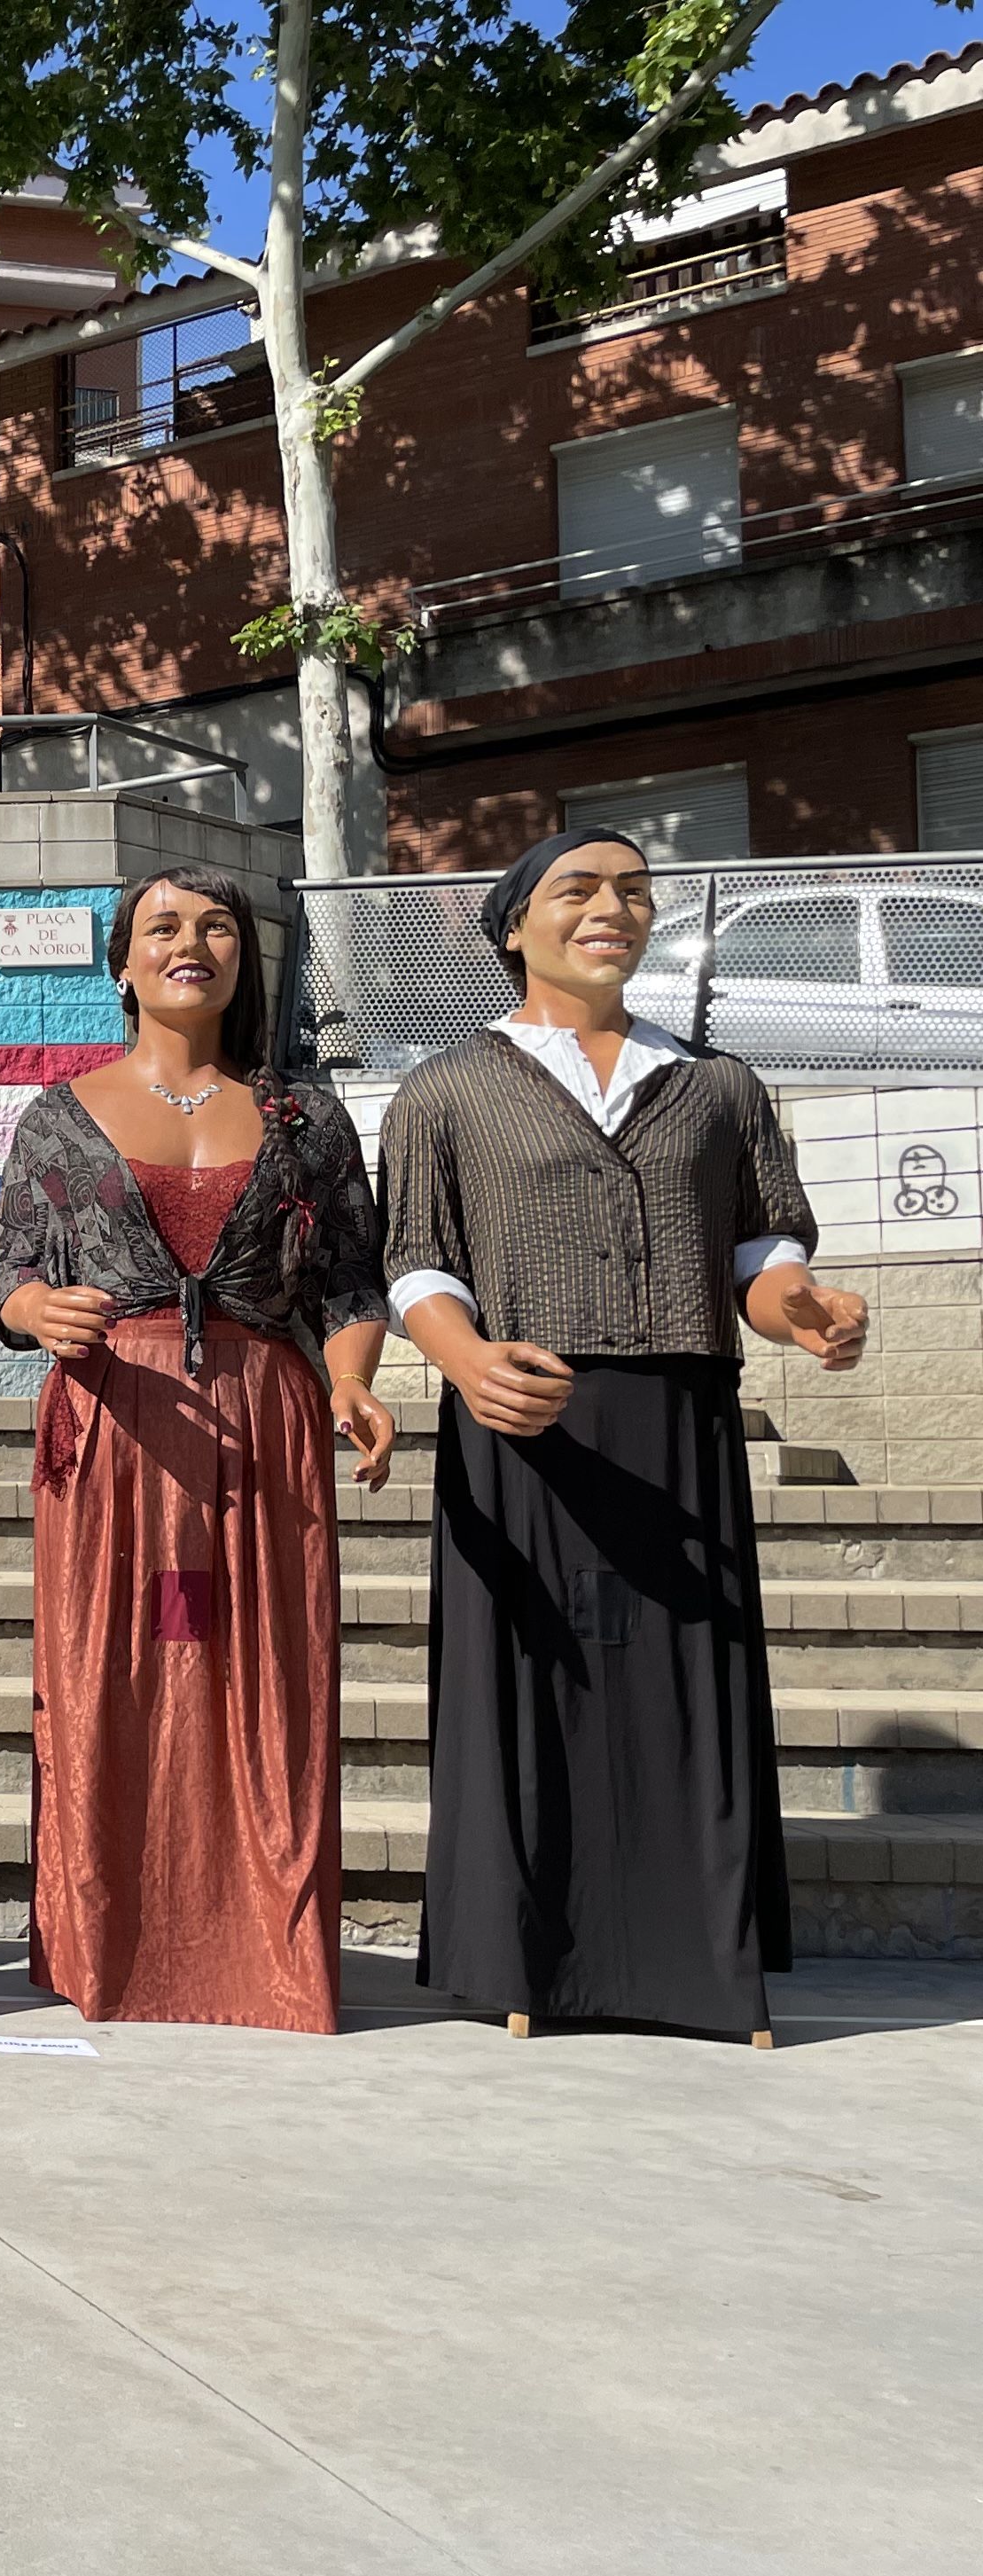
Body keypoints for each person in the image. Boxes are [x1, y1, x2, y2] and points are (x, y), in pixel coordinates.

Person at [382, 828, 868, 2046]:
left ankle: (701, 1969)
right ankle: (528, 1962)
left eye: (635, 892)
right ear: (514, 927)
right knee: (531, 1690)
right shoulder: (448, 1086)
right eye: (579, 889)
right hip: (520, 1422)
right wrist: (467, 1363)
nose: (614, 908)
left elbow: (761, 1253)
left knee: (683, 1692)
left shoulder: (720, 1085)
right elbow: (416, 1261)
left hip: (678, 1423)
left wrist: (803, 1312)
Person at [0, 865, 394, 2034]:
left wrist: (356, 1381)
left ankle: (265, 1961)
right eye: (164, 925)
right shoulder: (57, 1114)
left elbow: (352, 1285)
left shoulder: (307, 1120)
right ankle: (113, 1945)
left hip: (266, 1431)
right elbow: (13, 1275)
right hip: (115, 1435)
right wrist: (39, 1315)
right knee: (112, 1680)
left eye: (217, 926)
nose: (193, 942)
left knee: (270, 1682)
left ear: (243, 961)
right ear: (123, 960)